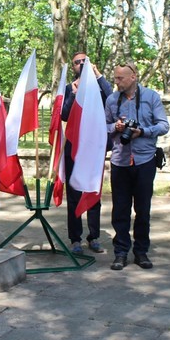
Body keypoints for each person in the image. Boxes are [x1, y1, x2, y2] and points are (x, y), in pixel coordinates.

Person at [104, 61, 169, 271]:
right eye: (115, 78)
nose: (117, 82)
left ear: (133, 77)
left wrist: (144, 131)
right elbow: (103, 126)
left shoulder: (151, 97)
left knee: (143, 209)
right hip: (120, 161)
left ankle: (141, 251)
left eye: (120, 78)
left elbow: (163, 125)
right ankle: (121, 252)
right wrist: (117, 126)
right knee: (120, 210)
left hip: (145, 160)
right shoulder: (112, 99)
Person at [61, 52, 112, 254]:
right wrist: (73, 94)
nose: (81, 64)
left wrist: (98, 75)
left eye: (85, 61)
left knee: (93, 191)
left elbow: (111, 100)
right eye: (77, 62)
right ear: (73, 67)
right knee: (74, 193)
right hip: (74, 145)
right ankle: (75, 239)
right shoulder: (69, 88)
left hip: (93, 147)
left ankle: (94, 237)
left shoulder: (99, 88)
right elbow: (64, 114)